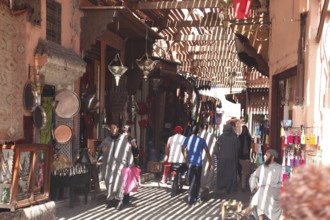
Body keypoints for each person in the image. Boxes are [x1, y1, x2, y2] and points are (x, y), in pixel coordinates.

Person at [238, 149, 282, 220]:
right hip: (262, 192)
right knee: (262, 193)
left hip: (275, 192)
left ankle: (249, 209)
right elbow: (253, 176)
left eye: (266, 155)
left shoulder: (280, 168)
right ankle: (260, 217)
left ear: (273, 157)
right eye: (264, 155)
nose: (264, 156)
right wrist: (255, 186)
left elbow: (282, 184)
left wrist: (269, 186)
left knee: (262, 190)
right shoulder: (262, 167)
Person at [98, 123, 133, 210]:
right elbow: (99, 148)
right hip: (108, 165)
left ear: (118, 129)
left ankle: (118, 200)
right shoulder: (106, 140)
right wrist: (101, 150)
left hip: (120, 165)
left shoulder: (123, 140)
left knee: (119, 183)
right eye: (111, 128)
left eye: (114, 127)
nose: (113, 129)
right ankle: (110, 200)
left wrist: (130, 164)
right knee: (108, 182)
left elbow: (129, 152)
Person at [182, 125, 212, 206]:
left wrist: (186, 160)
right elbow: (207, 152)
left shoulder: (187, 139)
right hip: (198, 164)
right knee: (197, 181)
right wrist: (210, 163)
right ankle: (195, 197)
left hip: (190, 164)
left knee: (192, 181)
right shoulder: (202, 140)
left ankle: (191, 198)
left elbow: (183, 148)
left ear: (191, 131)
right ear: (198, 132)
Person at [216, 124, 240, 194]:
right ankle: (230, 187)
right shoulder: (234, 137)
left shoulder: (221, 137)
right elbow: (238, 147)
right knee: (231, 172)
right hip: (232, 158)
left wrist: (218, 155)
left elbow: (216, 147)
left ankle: (223, 185)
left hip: (223, 158)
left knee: (223, 172)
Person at [122, 125, 139, 205]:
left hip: (128, 164)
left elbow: (136, 153)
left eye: (127, 131)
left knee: (126, 181)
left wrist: (134, 146)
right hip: (119, 163)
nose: (126, 133)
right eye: (124, 131)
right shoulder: (119, 139)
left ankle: (126, 199)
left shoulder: (132, 140)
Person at [238, 125, 253, 191]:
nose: (244, 130)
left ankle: (245, 183)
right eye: (243, 129)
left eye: (245, 129)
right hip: (241, 154)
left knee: (246, 170)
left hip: (247, 154)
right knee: (241, 169)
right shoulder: (240, 137)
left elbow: (251, 146)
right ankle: (243, 182)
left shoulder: (249, 137)